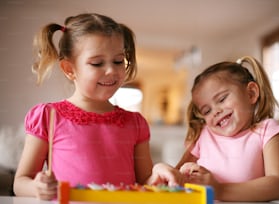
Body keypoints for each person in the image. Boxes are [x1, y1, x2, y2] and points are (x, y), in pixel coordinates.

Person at [13, 13, 180, 200]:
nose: (111, 70)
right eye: (97, 63)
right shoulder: (47, 116)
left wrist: (158, 173)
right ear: (69, 69)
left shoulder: (136, 123)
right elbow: (20, 182)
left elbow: (145, 182)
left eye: (118, 61)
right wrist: (37, 187)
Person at [175, 56, 279, 202]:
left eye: (222, 99)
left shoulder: (268, 131)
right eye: (207, 111)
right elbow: (175, 176)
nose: (215, 111)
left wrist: (220, 190)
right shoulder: (204, 134)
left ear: (251, 93)